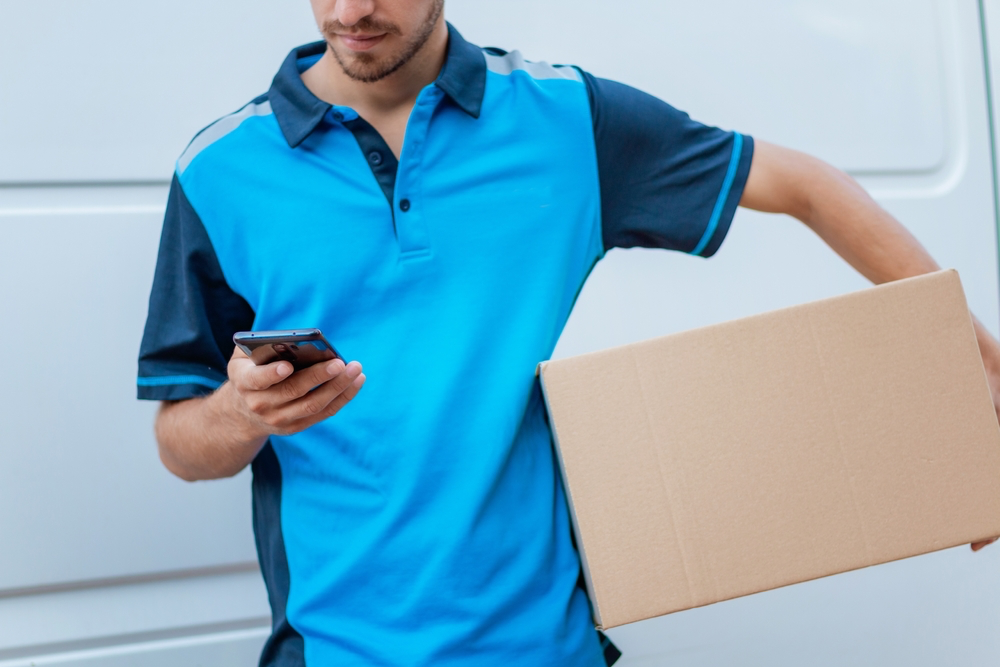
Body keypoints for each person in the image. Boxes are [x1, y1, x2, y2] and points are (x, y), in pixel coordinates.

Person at [136, 1, 1000, 665]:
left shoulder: (567, 124)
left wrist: (964, 354)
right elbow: (180, 441)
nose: (351, 11)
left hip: (547, 646)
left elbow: (804, 184)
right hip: (334, 651)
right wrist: (245, 412)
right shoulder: (220, 170)